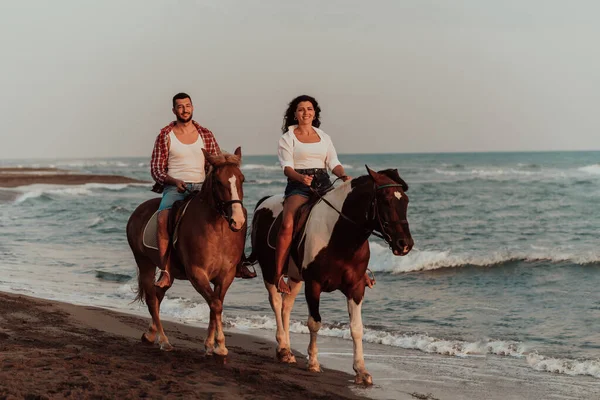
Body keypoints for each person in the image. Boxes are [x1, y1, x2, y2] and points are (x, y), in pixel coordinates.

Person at [150, 92, 256, 288]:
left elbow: (217, 163)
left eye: (187, 105)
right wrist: (174, 181)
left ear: (192, 107)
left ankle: (239, 262)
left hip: (203, 187)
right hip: (176, 188)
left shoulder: (205, 134)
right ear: (174, 110)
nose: (184, 109)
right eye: (180, 106)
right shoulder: (165, 135)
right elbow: (156, 169)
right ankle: (165, 271)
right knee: (163, 217)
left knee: (239, 211)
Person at [274, 95, 374, 294]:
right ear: (294, 114)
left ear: (315, 113)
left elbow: (333, 163)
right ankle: (279, 275)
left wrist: (343, 175)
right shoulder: (287, 138)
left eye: (309, 109)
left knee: (348, 218)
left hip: (324, 183)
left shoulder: (324, 137)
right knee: (287, 224)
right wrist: (300, 178)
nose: (306, 113)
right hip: (298, 186)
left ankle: (361, 270)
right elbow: (287, 168)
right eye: (301, 109)